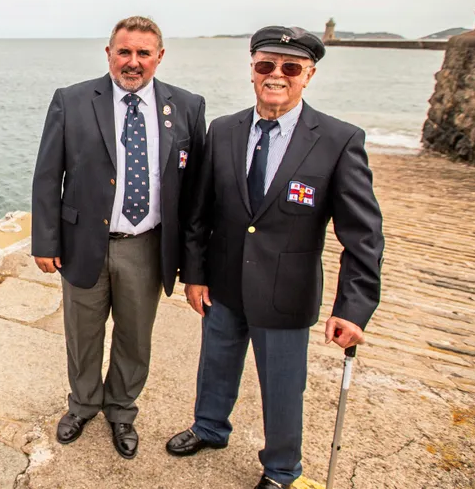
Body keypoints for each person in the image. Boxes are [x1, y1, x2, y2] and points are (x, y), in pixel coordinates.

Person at [165, 26, 384, 489]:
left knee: (283, 386)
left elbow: (362, 235)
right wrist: (195, 275)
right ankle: (209, 428)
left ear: (309, 75)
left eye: (290, 68)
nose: (276, 75)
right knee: (216, 364)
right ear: (252, 72)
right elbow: (199, 213)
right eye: (266, 65)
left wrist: (353, 308)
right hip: (224, 283)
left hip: (287, 292)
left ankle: (282, 467)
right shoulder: (223, 131)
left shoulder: (339, 140)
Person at [32, 16, 206, 459]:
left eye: (143, 53)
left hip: (147, 246)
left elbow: (195, 193)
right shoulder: (71, 101)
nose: (133, 62)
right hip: (82, 243)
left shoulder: (187, 107)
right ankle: (83, 404)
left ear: (159, 57)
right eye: (123, 52)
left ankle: (122, 410)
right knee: (82, 334)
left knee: (134, 337)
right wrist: (46, 242)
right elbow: (48, 176)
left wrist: (192, 260)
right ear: (108, 53)